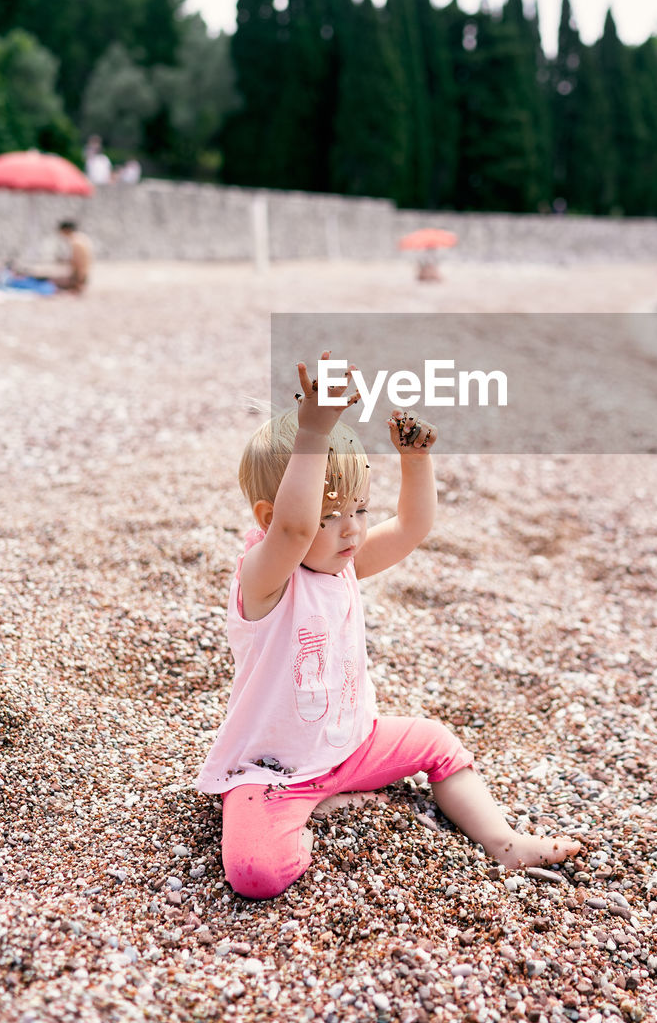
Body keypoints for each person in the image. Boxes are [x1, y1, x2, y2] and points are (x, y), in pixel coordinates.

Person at [195, 352, 581, 900]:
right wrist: (314, 430)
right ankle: (313, 809)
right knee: (256, 874)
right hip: (274, 772)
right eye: (333, 517)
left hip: (355, 743)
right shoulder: (265, 577)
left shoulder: (341, 561)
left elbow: (413, 528)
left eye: (360, 509)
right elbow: (295, 525)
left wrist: (415, 461)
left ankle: (502, 841)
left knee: (439, 744)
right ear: (267, 518)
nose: (351, 530)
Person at [51, 220, 93, 292]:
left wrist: (76, 280)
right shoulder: (81, 238)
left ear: (66, 230)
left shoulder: (76, 242)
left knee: (50, 282)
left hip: (80, 278)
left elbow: (78, 262)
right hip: (84, 276)